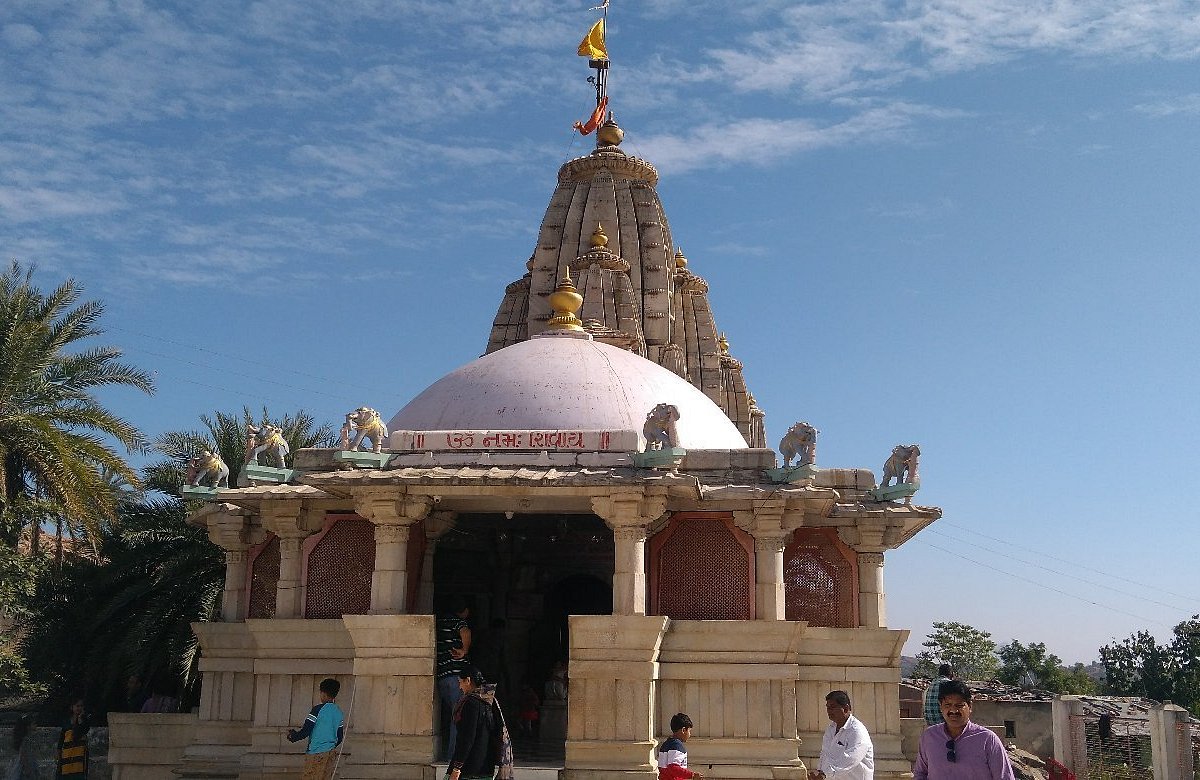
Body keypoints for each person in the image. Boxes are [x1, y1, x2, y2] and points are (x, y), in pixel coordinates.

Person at [913, 680, 1015, 780]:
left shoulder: (987, 740)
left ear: (970, 706)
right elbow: (920, 774)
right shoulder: (929, 737)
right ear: (941, 707)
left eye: (959, 705)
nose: (953, 710)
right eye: (948, 705)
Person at [446, 667, 513, 780]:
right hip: (486, 767)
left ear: (468, 680)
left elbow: (467, 738)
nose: (460, 687)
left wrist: (457, 768)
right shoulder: (489, 701)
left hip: (469, 769)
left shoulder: (471, 703)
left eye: (460, 682)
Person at [286, 678, 346, 780]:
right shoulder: (338, 712)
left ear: (323, 693)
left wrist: (292, 736)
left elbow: (306, 731)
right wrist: (329, 746)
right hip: (330, 755)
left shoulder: (317, 710)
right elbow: (340, 737)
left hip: (315, 754)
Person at [808, 690, 874, 780]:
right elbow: (825, 754)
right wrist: (820, 771)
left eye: (832, 707)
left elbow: (851, 759)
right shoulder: (831, 729)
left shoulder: (857, 731)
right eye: (828, 707)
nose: (829, 711)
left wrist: (825, 774)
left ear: (846, 709)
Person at [436, 598, 472, 760]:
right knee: (458, 716)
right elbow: (466, 631)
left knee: (449, 714)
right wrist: (465, 650)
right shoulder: (458, 622)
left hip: (443, 676)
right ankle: (455, 756)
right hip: (456, 677)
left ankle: (451, 754)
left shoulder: (440, 622)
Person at [657, 713, 703, 780]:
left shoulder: (665, 744)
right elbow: (673, 768)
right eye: (689, 731)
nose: (690, 734)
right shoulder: (677, 746)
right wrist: (692, 775)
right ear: (683, 730)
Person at [57, 698, 90, 780]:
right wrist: (59, 754)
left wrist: (80, 719)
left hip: (80, 756)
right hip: (67, 756)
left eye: (81, 706)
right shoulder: (66, 722)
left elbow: (81, 732)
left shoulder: (85, 721)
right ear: (72, 707)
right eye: (77, 706)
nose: (79, 708)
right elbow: (61, 739)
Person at [10, 715, 38, 780]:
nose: (36, 726)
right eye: (33, 724)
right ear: (28, 727)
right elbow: (23, 754)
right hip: (26, 765)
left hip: (29, 762)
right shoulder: (26, 740)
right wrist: (27, 768)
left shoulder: (28, 738)